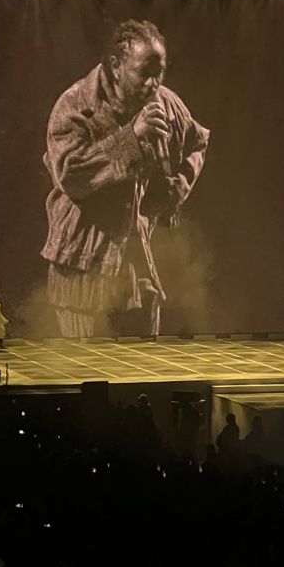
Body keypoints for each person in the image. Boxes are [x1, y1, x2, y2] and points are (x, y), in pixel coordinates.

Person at [41, 19, 210, 338]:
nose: (154, 82)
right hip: (83, 260)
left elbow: (197, 142)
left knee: (141, 362)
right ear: (117, 65)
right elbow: (71, 176)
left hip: (135, 259)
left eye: (160, 72)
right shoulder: (75, 106)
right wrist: (131, 137)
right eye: (145, 72)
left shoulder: (167, 104)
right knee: (88, 365)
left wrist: (177, 189)